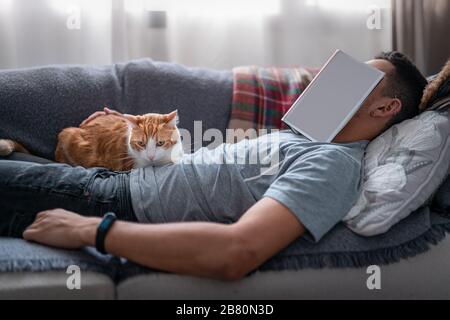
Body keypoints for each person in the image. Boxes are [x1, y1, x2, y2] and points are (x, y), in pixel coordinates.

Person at [0, 52, 427, 281]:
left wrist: (91, 230)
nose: (326, 83)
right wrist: (118, 132)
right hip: (116, 179)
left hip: (112, 200)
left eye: (354, 79)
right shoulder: (305, 139)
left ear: (385, 107)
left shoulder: (332, 165)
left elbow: (237, 252)